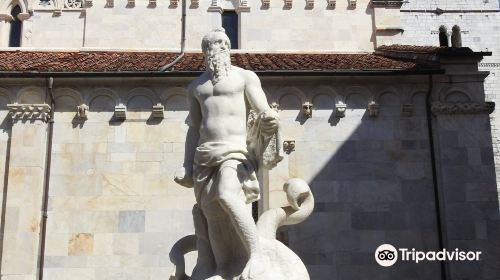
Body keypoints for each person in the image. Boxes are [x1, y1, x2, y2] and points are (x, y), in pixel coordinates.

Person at [174, 28, 280, 279]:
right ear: (205, 51)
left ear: (228, 49)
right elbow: (193, 129)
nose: (218, 49)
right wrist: (186, 165)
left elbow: (263, 109)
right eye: (212, 45)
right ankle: (222, 268)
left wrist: (270, 119)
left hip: (234, 151)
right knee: (212, 213)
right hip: (204, 155)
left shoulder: (245, 77)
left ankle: (257, 253)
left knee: (227, 194)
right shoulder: (196, 86)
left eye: (223, 44)